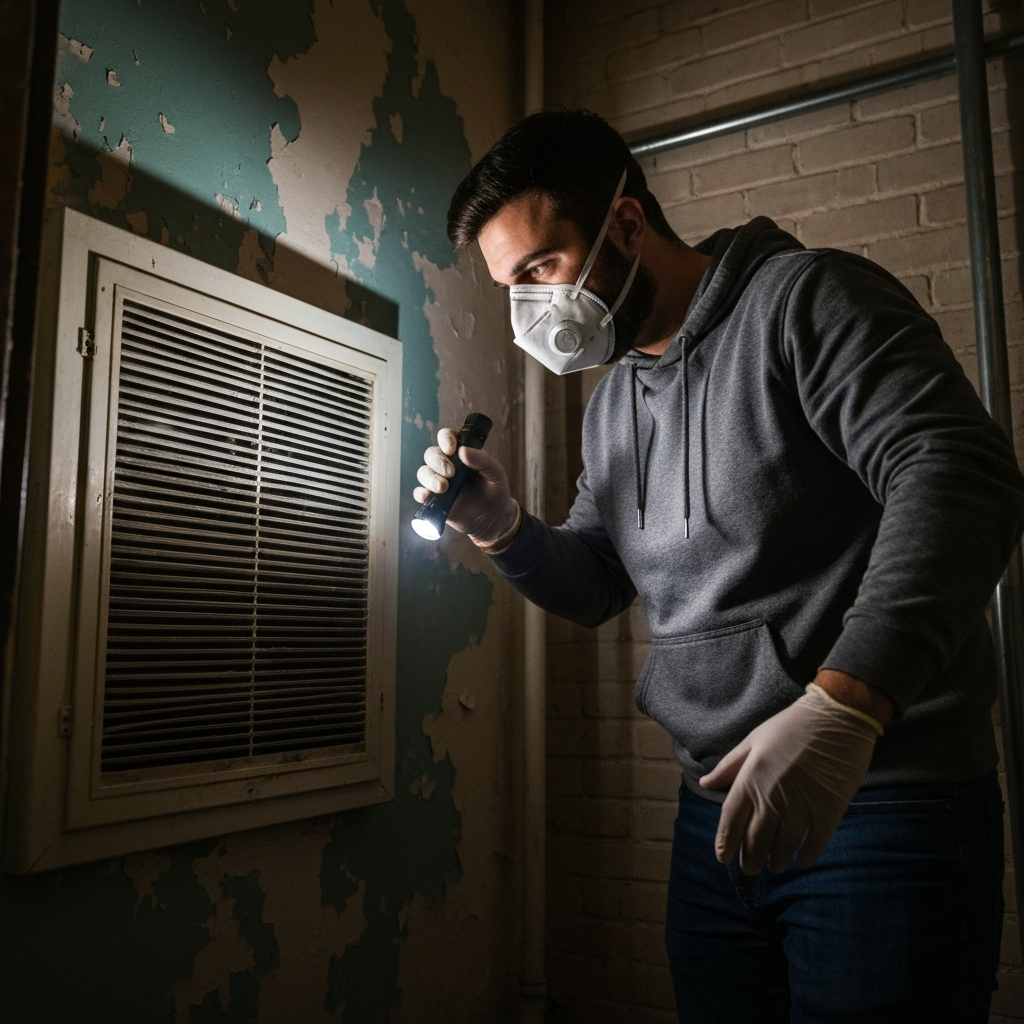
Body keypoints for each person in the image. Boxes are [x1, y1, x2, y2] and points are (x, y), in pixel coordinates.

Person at [414, 109, 1024, 1023]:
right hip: (718, 823)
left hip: (880, 802)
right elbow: (597, 584)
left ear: (626, 224)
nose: (533, 309)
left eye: (540, 269)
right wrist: (500, 525)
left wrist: (844, 706)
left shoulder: (806, 301)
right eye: (512, 288)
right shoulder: (614, 403)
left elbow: (960, 474)